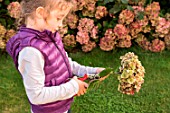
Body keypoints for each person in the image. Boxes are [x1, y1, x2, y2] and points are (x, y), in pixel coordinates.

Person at [6, 0, 105, 113]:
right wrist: (74, 87)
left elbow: (65, 63)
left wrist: (92, 72)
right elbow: (36, 96)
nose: (61, 24)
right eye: (58, 18)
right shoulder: (31, 52)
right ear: (40, 13)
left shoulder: (49, 36)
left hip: (62, 108)